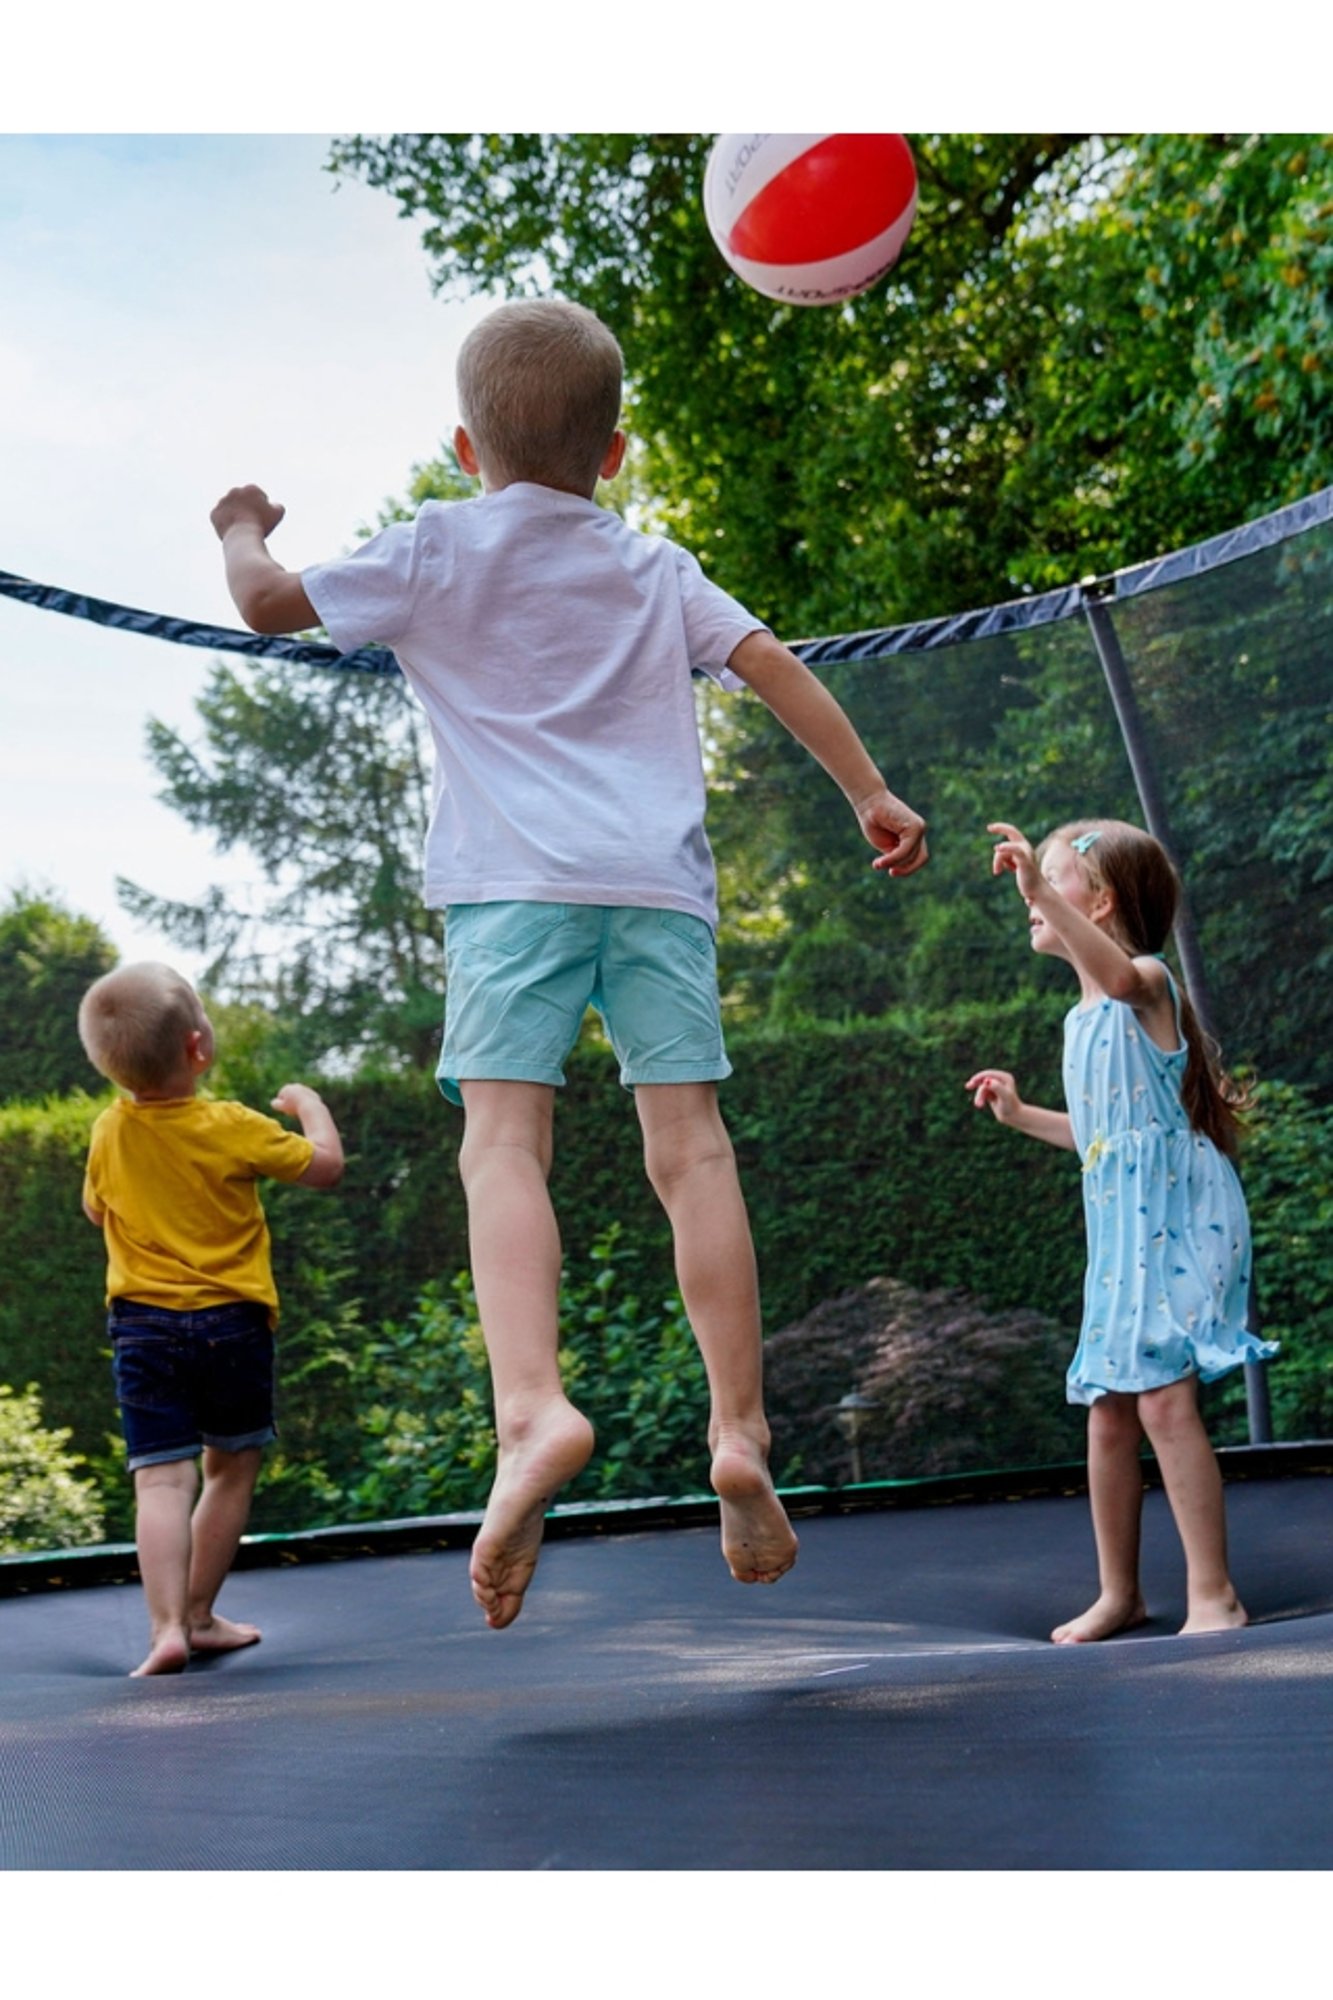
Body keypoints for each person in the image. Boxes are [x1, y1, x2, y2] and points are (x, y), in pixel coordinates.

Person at [209, 296, 929, 1630]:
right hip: (654, 892)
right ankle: (738, 1431)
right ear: (614, 455)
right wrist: (869, 794)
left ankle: (531, 1407)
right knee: (691, 1149)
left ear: (466, 452)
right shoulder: (655, 565)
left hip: (509, 891)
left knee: (503, 1144)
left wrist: (242, 521)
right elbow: (770, 666)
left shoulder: (434, 548)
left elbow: (262, 605)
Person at [966, 818, 1277, 1642]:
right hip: (1119, 1231)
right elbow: (1100, 1136)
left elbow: (1115, 974)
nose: (1028, 902)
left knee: (1164, 1403)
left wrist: (1038, 889)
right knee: (1107, 1411)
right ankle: (1119, 1594)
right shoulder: (1076, 1023)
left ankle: (1213, 1594)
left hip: (1178, 1221)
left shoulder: (1145, 982)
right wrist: (1021, 1114)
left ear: (1098, 903)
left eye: (1049, 884)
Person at [79, 961, 344, 1675]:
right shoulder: (229, 1124)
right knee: (229, 1469)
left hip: (141, 1327)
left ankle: (166, 1627)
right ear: (197, 1049)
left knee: (161, 1480)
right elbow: (324, 1167)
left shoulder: (109, 1131)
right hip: (231, 1324)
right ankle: (198, 1615)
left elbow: (94, 1208)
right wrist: (307, 1103)